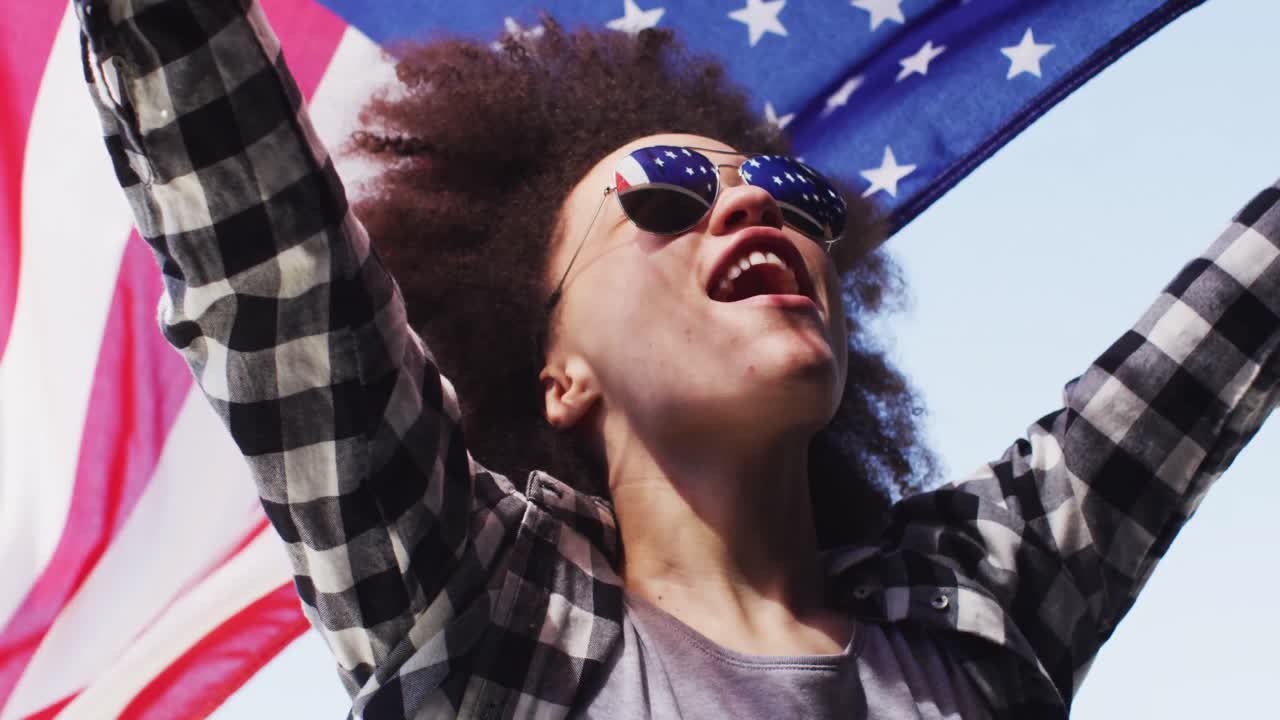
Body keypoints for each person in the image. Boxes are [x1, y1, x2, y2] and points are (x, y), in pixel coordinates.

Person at [77, 1, 1280, 718]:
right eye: (661, 197)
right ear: (558, 373)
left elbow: (1236, 316)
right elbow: (273, 269)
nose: (752, 210)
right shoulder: (484, 620)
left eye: (795, 196)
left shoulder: (980, 602)